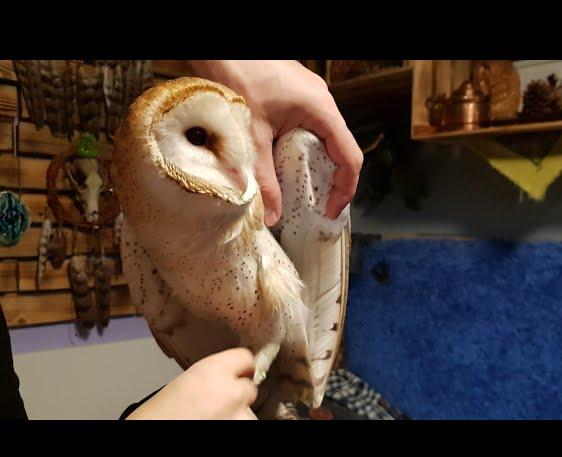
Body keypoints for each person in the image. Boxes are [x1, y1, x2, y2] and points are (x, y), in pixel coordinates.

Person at [0, 60, 362, 420]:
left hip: (270, 355)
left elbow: (309, 287)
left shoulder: (264, 190)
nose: (239, 169)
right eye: (199, 137)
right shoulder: (135, 235)